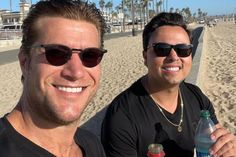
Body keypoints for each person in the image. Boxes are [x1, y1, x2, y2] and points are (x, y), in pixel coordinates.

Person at [101, 12, 236, 157]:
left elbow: (217, 141)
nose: (173, 57)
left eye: (183, 49)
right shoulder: (122, 117)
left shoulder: (198, 98)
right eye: (162, 49)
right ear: (145, 57)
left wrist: (228, 147)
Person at [0, 0, 107, 156]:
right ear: (25, 62)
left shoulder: (91, 144)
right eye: (56, 53)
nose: (76, 72)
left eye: (90, 56)